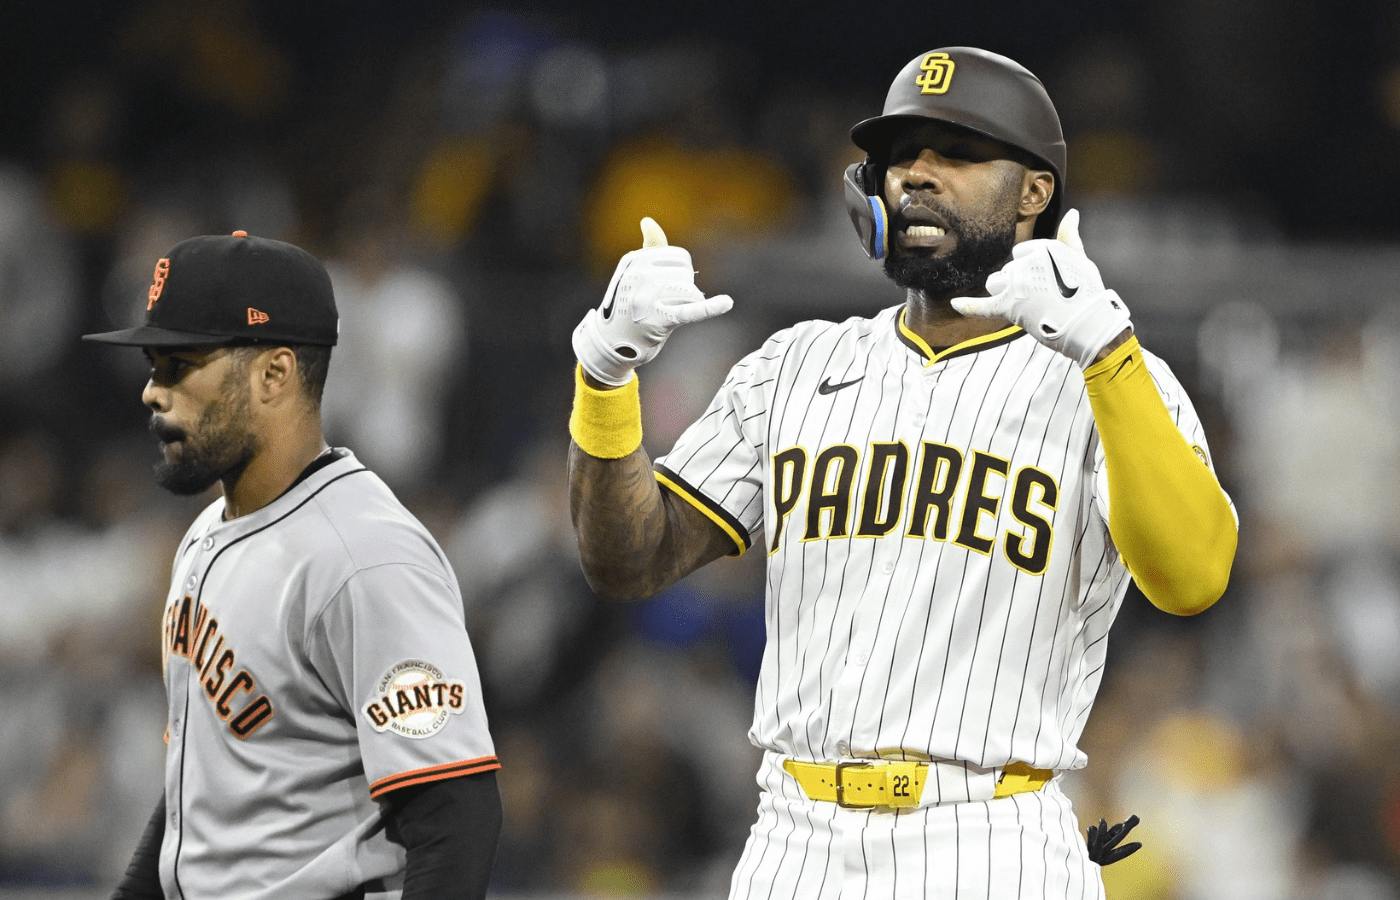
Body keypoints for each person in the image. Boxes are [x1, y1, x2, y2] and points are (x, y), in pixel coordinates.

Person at [566, 47, 1236, 897]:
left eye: (957, 153)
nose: (918, 173)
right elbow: (627, 561)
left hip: (991, 835)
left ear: (1034, 192)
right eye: (900, 155)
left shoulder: (1109, 378)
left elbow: (1193, 578)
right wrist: (606, 374)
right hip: (794, 836)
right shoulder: (793, 366)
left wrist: (1106, 353)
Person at [83, 231, 501, 900]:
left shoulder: (366, 557)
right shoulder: (206, 533)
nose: (152, 393)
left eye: (178, 364)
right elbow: (200, 790)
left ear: (274, 374)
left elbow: (455, 822)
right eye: (153, 364)